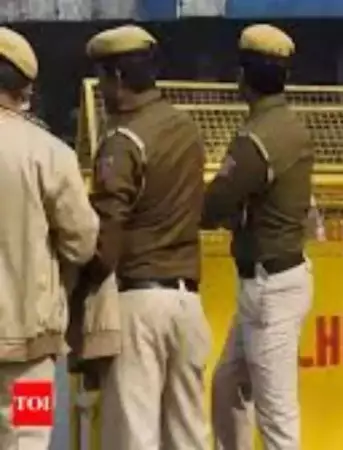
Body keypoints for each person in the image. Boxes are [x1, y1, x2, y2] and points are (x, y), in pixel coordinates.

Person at [83, 25, 210, 449]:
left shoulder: (122, 141)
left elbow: (106, 237)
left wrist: (79, 284)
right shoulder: (186, 129)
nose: (102, 89)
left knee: (134, 435)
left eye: (103, 77)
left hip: (138, 304)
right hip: (187, 303)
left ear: (118, 78)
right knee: (188, 434)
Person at [202, 24, 314, 450]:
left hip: (270, 286)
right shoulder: (288, 125)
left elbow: (214, 206)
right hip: (276, 279)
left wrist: (227, 213)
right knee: (228, 385)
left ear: (243, 76)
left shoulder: (258, 138)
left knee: (276, 414)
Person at [0, 27, 98, 450]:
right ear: (25, 88)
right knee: (30, 437)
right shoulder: (51, 153)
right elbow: (82, 241)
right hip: (32, 346)